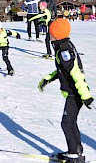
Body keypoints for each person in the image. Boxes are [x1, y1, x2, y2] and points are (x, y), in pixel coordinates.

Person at [38, 18, 93, 163]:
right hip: (74, 92)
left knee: (66, 123)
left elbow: (75, 72)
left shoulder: (64, 50)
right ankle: (76, 150)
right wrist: (48, 78)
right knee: (71, 122)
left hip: (74, 93)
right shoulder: (62, 46)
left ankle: (74, 156)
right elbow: (63, 70)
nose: (49, 35)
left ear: (55, 34)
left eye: (50, 32)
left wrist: (85, 95)